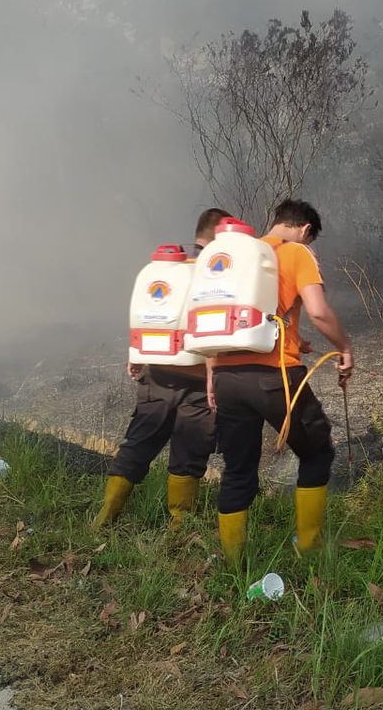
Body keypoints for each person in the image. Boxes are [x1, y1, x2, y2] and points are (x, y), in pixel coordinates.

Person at [211, 199, 353, 565]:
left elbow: (222, 320)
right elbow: (319, 311)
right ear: (305, 230)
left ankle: (233, 564)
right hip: (274, 378)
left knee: (238, 468)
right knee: (317, 451)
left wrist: (213, 375)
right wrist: (344, 347)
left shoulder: (240, 256)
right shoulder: (296, 253)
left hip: (227, 376)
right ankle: (308, 548)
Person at [93, 207, 231, 530]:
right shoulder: (214, 275)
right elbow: (211, 330)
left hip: (157, 376)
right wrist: (215, 375)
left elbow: (142, 313)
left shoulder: (164, 269)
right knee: (188, 454)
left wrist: (135, 353)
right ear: (221, 236)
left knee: (138, 443)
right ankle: (179, 526)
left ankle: (105, 516)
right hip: (199, 380)